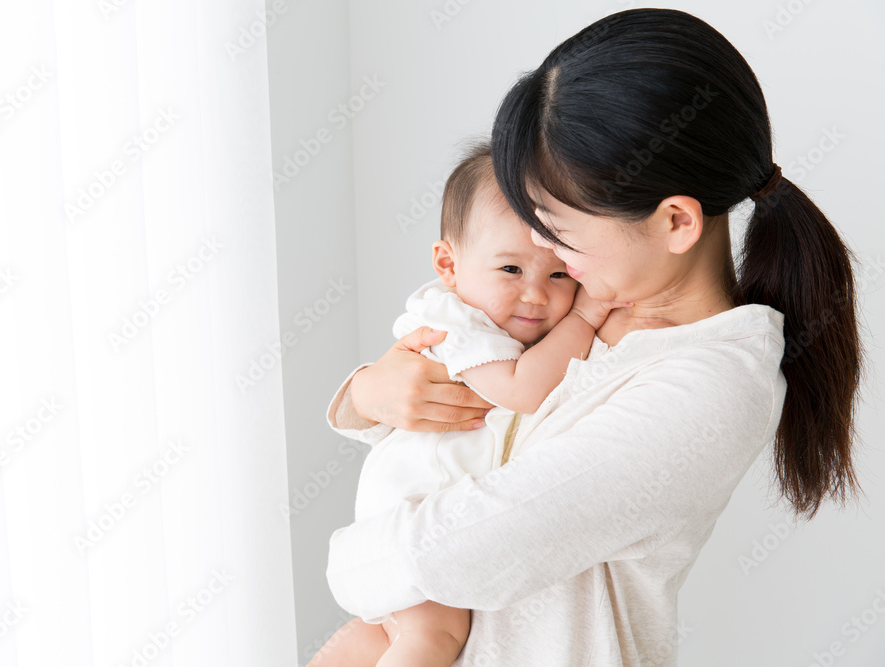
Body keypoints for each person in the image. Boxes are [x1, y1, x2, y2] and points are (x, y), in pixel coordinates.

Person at [318, 8, 864, 666]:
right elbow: (461, 411)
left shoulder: (708, 386)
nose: (543, 251)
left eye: (561, 228)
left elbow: (458, 550)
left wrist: (348, 557)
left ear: (676, 222)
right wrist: (371, 394)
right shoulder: (594, 293)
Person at [307, 142, 630, 667]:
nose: (535, 295)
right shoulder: (456, 323)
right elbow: (522, 391)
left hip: (421, 508)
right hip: (413, 510)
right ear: (448, 265)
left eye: (558, 275)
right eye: (510, 270)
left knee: (376, 637)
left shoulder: (505, 330)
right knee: (434, 636)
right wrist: (584, 319)